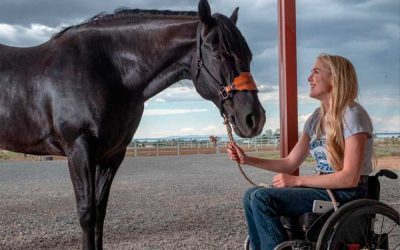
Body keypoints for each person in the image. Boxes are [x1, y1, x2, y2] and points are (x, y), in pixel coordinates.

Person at [227, 53, 374, 249]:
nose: (309, 78)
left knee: (263, 199)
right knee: (251, 195)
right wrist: (247, 159)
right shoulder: (316, 118)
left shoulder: (353, 115)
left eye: (316, 71)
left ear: (334, 78)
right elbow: (290, 162)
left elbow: (349, 178)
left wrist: (297, 181)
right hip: (325, 187)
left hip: (348, 192)